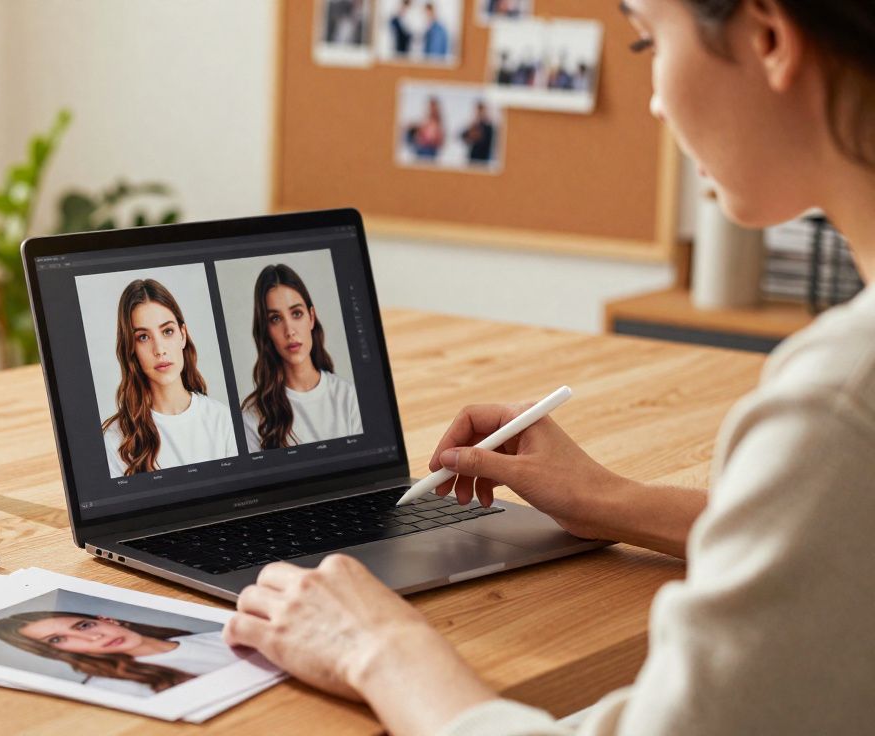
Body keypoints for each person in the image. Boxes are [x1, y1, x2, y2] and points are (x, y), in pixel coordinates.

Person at [224, 1, 875, 734]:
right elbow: (839, 543)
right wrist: (613, 501)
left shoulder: (838, 402)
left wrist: (377, 645)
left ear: (768, 38)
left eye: (646, 43)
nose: (656, 101)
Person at [101, 279, 236, 478]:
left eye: (167, 331)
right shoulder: (115, 440)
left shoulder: (223, 420)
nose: (159, 350)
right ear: (131, 349)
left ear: (183, 334)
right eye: (143, 337)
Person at [241, 264, 362, 450]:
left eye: (296, 314)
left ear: (311, 317)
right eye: (275, 318)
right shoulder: (252, 416)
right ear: (266, 330)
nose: (289, 331)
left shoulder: (349, 398)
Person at [0, 611, 238, 697]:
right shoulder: (112, 689)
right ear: (56, 652)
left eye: (84, 626)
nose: (93, 637)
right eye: (58, 639)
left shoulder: (220, 637)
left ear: (107, 619)